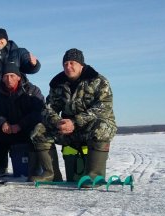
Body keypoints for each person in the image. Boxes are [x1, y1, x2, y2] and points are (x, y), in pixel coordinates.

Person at [30, 48, 117, 182]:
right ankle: (51, 174)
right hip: (68, 130)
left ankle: (95, 175)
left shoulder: (98, 81)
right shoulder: (57, 84)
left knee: (102, 127)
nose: (68, 66)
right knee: (40, 130)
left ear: (81, 65)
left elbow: (104, 107)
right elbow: (48, 108)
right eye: (65, 64)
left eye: (72, 63)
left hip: (91, 127)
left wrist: (75, 122)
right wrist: (58, 122)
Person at [0, 62, 47, 182]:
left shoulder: (32, 90)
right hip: (6, 131)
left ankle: (33, 170)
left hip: (26, 131)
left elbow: (40, 112)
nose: (8, 79)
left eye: (12, 75)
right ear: (2, 78)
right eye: (5, 76)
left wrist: (21, 125)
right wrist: (3, 123)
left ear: (18, 76)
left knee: (38, 128)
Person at [0, 28, 41, 99]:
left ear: (6, 39)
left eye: (1, 38)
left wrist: (33, 65)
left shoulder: (19, 52)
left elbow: (31, 69)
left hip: (18, 97)